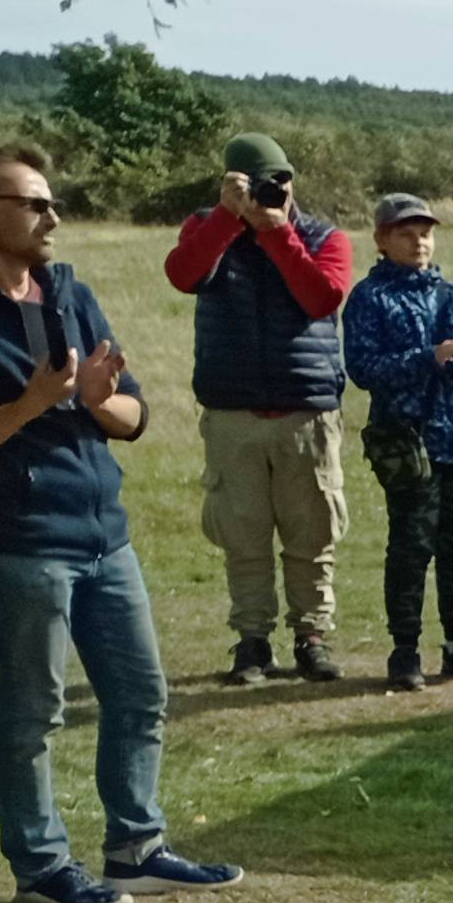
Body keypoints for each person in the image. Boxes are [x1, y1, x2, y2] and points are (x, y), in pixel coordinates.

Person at [0, 145, 240, 903]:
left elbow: (133, 413)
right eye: (33, 204)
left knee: (139, 695)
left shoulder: (70, 295)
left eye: (52, 202)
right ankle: (41, 868)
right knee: (33, 710)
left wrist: (95, 401)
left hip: (103, 534)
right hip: (21, 541)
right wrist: (31, 404)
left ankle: (136, 849)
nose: (52, 217)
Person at [163, 129, 353, 685]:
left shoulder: (324, 236)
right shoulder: (207, 227)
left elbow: (322, 297)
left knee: (312, 534)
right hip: (232, 409)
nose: (278, 190)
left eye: (283, 180)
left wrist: (277, 234)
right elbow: (182, 275)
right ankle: (252, 641)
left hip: (305, 410)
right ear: (231, 185)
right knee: (242, 536)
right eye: (263, 183)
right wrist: (227, 218)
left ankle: (312, 636)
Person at [340, 193, 453, 690]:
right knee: (411, 547)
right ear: (382, 239)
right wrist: (430, 357)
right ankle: (405, 650)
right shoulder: (369, 299)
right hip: (407, 443)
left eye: (425, 233)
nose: (419, 242)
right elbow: (363, 369)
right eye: (407, 233)